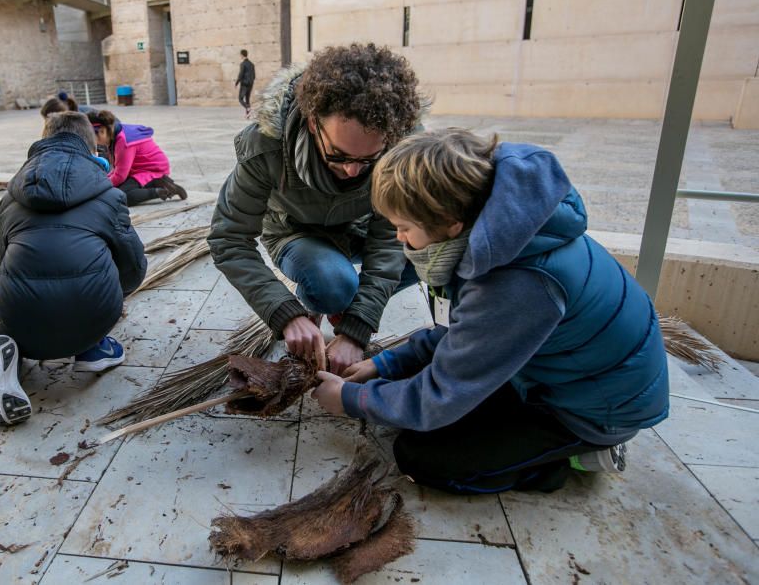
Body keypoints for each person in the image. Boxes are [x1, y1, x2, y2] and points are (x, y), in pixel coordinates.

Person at [311, 129, 670, 494]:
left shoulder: (515, 284)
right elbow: (465, 331)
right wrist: (383, 364)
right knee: (404, 403)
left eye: (404, 228)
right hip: (547, 370)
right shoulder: (500, 230)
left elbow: (443, 393)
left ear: (450, 224)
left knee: (421, 457)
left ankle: (564, 460)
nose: (400, 239)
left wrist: (349, 400)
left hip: (588, 410)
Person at [208, 43, 424, 372]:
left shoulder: (398, 151)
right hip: (295, 231)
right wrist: (284, 311)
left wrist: (357, 329)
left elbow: (387, 242)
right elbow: (229, 239)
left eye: (367, 160)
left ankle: (344, 306)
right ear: (312, 123)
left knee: (430, 253)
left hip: (358, 228)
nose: (353, 171)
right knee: (332, 283)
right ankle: (325, 299)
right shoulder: (264, 147)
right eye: (339, 155)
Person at [0, 112, 147, 428]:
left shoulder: (11, 197)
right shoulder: (109, 195)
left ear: (42, 141)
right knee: (84, 284)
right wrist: (114, 293)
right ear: (92, 149)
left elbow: (3, 257)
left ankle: (1, 351)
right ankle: (92, 348)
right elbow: (134, 266)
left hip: (20, 317)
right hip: (93, 313)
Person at [90, 109, 188, 205]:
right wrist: (104, 181)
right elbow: (117, 169)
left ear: (102, 131)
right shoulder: (114, 131)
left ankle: (163, 190)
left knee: (121, 196)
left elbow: (120, 176)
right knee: (114, 191)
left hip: (153, 171)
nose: (94, 141)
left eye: (93, 137)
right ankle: (158, 185)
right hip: (139, 170)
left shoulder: (123, 141)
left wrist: (101, 187)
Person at [235, 49, 255, 117]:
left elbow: (241, 75)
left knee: (240, 99)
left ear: (242, 55)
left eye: (240, 55)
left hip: (244, 84)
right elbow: (254, 75)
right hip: (250, 83)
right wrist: (251, 81)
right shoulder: (252, 64)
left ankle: (248, 108)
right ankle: (248, 115)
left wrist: (237, 83)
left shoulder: (243, 64)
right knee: (247, 99)